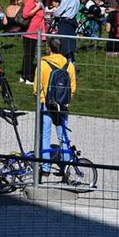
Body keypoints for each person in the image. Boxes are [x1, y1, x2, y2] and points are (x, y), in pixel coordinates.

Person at [35, 41, 79, 171]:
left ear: (49, 48)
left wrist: (41, 100)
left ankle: (45, 166)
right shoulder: (69, 65)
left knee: (45, 134)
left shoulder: (42, 64)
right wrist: (66, 101)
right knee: (63, 135)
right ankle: (66, 166)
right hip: (63, 105)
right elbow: (73, 87)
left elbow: (37, 87)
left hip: (47, 103)